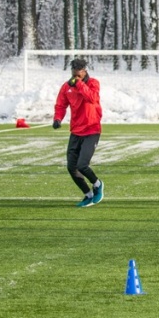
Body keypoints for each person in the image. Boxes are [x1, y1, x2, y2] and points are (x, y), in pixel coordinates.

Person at [53, 58, 104, 207]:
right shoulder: (66, 87)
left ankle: (97, 184)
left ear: (84, 70)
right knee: (71, 167)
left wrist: (80, 84)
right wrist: (57, 118)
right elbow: (60, 105)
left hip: (92, 129)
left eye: (79, 72)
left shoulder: (93, 83)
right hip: (76, 131)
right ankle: (88, 194)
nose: (76, 75)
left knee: (82, 165)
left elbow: (92, 98)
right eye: (74, 71)